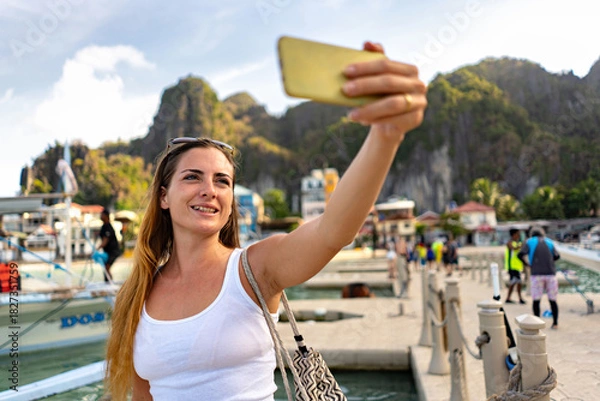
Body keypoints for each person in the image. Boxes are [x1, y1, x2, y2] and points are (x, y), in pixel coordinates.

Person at [105, 41, 427, 401]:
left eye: (222, 181)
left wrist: (386, 136)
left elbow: (333, 230)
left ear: (229, 202)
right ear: (163, 196)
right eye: (192, 177)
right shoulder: (134, 296)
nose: (209, 190)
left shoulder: (254, 269)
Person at [518, 226, 560, 329]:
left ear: (532, 234)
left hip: (536, 274)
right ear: (543, 234)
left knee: (536, 300)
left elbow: (520, 254)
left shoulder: (529, 241)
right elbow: (557, 255)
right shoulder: (549, 242)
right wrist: (550, 262)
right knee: (552, 300)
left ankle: (537, 323)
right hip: (550, 274)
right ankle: (555, 323)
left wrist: (527, 264)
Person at [99, 208, 121, 282]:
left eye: (102, 214)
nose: (100, 216)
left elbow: (105, 241)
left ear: (106, 216)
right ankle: (107, 282)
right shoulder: (103, 227)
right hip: (108, 252)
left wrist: (96, 249)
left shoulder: (108, 227)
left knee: (107, 267)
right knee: (106, 268)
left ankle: (110, 283)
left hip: (113, 251)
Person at [504, 228, 526, 304]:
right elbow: (513, 248)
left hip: (517, 267)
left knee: (513, 282)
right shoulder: (509, 243)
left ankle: (508, 298)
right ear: (513, 234)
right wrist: (521, 245)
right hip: (512, 267)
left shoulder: (517, 243)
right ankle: (520, 298)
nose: (519, 236)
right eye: (518, 234)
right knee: (517, 282)